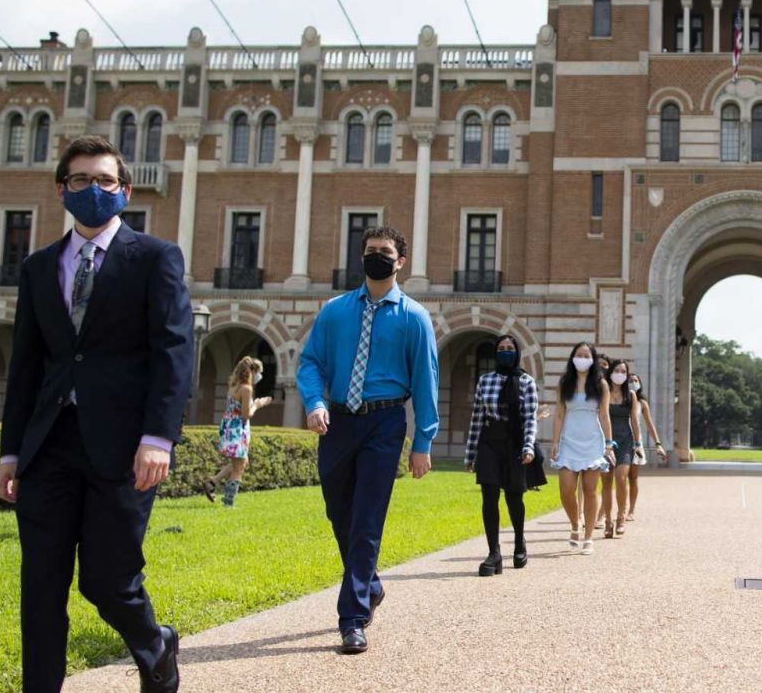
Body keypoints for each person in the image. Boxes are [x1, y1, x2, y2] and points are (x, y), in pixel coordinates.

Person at [0, 135, 193, 693]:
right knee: (40, 590)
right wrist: (11, 447)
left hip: (124, 447)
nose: (91, 188)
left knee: (107, 579)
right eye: (79, 179)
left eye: (104, 179)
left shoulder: (155, 258)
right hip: (50, 445)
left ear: (125, 191)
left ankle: (156, 645)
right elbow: (25, 366)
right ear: (61, 190)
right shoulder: (38, 266)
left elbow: (173, 353)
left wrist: (158, 439)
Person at [297, 225, 439, 655]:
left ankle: (352, 617)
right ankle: (370, 584)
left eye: (385, 251)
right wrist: (314, 402)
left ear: (400, 262)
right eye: (370, 250)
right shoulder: (335, 311)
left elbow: (426, 382)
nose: (376, 256)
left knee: (366, 520)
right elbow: (310, 363)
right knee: (338, 513)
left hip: (385, 421)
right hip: (337, 422)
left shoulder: (414, 317)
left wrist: (423, 442)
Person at [463, 334, 538, 576]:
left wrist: (528, 447)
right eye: (501, 348)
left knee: (514, 498)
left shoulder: (527, 382)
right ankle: (494, 553)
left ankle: (519, 542)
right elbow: (476, 418)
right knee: (489, 495)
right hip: (489, 441)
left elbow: (530, 419)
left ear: (517, 352)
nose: (505, 352)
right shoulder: (485, 381)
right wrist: (471, 453)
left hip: (514, 442)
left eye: (510, 348)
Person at [554, 342, 615, 553]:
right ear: (573, 358)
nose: (582, 358)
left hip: (592, 441)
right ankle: (574, 524)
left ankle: (589, 537)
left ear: (593, 358)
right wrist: (554, 442)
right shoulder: (564, 383)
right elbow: (559, 413)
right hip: (569, 441)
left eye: (586, 355)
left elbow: (604, 415)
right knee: (566, 489)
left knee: (590, 490)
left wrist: (609, 445)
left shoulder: (601, 384)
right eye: (579, 354)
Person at [206, 355, 273, 506]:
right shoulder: (246, 389)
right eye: (259, 373)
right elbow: (245, 415)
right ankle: (228, 502)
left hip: (229, 427)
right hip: (238, 429)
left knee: (242, 462)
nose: (259, 376)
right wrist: (258, 404)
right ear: (252, 372)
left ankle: (212, 482)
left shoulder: (234, 386)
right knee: (239, 468)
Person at [598, 358, 637, 538]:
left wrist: (638, 444)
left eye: (623, 372)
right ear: (610, 372)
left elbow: (635, 421)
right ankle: (608, 521)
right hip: (606, 440)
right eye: (617, 370)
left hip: (625, 441)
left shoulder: (631, 395)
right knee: (606, 482)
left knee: (621, 478)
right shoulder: (602, 392)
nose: (620, 374)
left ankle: (621, 517)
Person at [626, 370, 666, 519]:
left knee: (633, 477)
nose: (633, 382)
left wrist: (658, 444)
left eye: (635, 380)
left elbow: (649, 424)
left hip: (636, 441)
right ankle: (613, 510)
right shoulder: (620, 398)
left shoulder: (642, 403)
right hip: (619, 439)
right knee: (618, 477)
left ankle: (631, 510)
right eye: (630, 380)